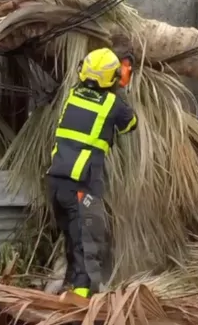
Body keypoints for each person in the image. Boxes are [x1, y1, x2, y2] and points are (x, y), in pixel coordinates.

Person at [46, 48, 138, 300]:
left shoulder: (72, 96)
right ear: (114, 78)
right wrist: (124, 84)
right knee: (89, 245)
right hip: (81, 188)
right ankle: (81, 309)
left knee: (72, 243)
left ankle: (68, 291)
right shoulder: (113, 104)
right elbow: (130, 124)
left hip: (56, 185)